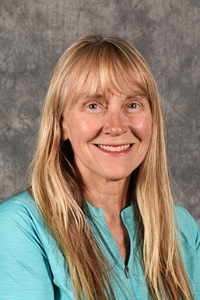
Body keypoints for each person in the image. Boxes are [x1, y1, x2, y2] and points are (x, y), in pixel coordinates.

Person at [0, 34, 199, 300]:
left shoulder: (181, 228)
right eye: (93, 105)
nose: (116, 127)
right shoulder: (20, 226)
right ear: (61, 125)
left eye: (132, 104)